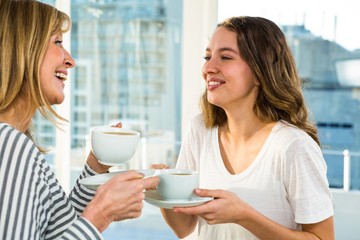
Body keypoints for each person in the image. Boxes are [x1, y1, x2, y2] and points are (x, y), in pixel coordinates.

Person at [158, 16, 334, 240]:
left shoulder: (293, 146)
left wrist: (244, 216)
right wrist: (163, 191)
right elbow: (185, 228)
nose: (208, 68)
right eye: (207, 56)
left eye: (225, 57)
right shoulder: (201, 129)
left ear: (260, 71)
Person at [0, 1, 159, 239]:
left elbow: (55, 231)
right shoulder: (10, 146)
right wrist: (101, 214)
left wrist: (96, 167)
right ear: (23, 49)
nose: (70, 60)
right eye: (57, 42)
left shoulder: (13, 143)